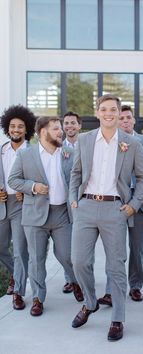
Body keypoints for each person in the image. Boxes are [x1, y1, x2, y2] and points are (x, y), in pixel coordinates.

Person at [69, 94, 143, 341]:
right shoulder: (84, 139)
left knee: (116, 266)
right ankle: (90, 302)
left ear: (118, 112)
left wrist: (134, 205)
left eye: (113, 109)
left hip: (115, 209)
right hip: (86, 207)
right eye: (104, 109)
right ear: (98, 112)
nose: (109, 113)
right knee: (79, 261)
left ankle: (118, 318)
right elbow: (76, 171)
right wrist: (74, 200)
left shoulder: (130, 143)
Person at [8, 116, 83, 316]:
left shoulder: (69, 153)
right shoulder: (26, 155)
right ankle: (38, 299)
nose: (62, 132)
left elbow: (80, 179)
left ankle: (75, 281)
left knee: (68, 256)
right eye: (57, 129)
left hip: (62, 215)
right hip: (34, 215)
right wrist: (32, 187)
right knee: (36, 259)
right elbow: (13, 180)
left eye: (61, 128)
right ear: (43, 132)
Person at [98, 104, 143, 306]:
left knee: (137, 247)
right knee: (114, 248)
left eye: (128, 118)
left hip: (141, 203)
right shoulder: (110, 141)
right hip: (117, 201)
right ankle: (111, 289)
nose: (124, 121)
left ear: (134, 120)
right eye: (121, 117)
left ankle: (135, 286)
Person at [0, 105, 36, 308]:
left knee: (20, 250)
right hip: (2, 203)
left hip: (23, 206)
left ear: (27, 129)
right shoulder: (1, 150)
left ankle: (19, 291)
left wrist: (27, 189)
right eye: (12, 126)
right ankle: (17, 273)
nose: (16, 130)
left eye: (20, 126)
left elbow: (42, 179)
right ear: (7, 128)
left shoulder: (33, 152)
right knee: (1, 247)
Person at [62, 111, 81, 294]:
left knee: (82, 243)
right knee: (67, 242)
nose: (69, 126)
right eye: (66, 123)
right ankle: (70, 279)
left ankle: (83, 277)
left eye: (73, 123)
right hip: (63, 202)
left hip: (83, 201)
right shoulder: (58, 147)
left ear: (79, 125)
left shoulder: (87, 144)